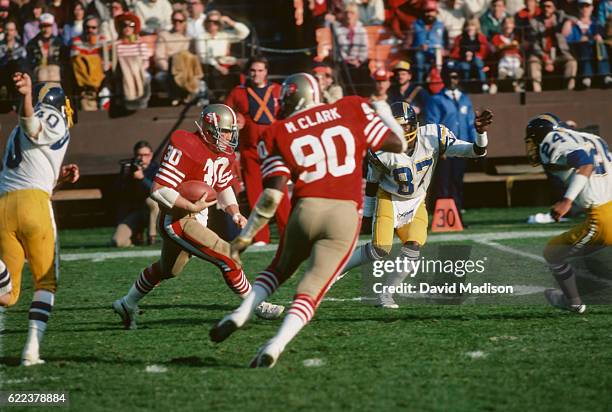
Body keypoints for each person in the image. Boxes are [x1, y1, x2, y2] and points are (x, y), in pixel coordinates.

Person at [208, 72, 407, 368]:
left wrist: (246, 236)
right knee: (311, 290)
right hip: (343, 214)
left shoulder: (276, 131)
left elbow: (272, 197)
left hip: (306, 209)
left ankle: (239, 314)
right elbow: (398, 144)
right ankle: (276, 345)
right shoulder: (349, 108)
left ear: (295, 96)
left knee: (278, 269)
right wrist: (385, 113)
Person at [112, 104, 285, 329]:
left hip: (195, 215)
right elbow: (159, 189)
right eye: (224, 130)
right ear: (208, 128)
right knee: (228, 255)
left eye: (231, 131)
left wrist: (235, 212)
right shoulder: (185, 145)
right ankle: (256, 304)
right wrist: (189, 205)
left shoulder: (224, 152)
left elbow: (222, 186)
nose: (229, 136)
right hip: (177, 218)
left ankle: (126, 303)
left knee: (168, 270)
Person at [341, 102, 492, 308]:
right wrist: (367, 217)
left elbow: (476, 151)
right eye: (396, 126)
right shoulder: (381, 149)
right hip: (390, 198)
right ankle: (338, 269)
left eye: (405, 126)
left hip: (416, 201)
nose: (402, 131)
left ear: (414, 124)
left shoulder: (432, 135)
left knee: (413, 247)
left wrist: (480, 133)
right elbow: (372, 184)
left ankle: (386, 295)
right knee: (380, 250)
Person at [0, 73, 79, 366]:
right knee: (47, 282)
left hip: (3, 207)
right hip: (33, 206)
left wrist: (59, 180)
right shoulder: (48, 113)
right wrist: (27, 97)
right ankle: (31, 351)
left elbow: (31, 168)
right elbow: (32, 126)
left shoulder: (13, 135)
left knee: (8, 296)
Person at [524, 114, 612, 313]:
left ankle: (572, 301)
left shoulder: (550, 141)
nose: (531, 146)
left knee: (553, 253)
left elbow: (585, 162)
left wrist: (567, 201)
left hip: (603, 217)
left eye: (531, 140)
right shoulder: (591, 138)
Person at [225, 56, 291, 246]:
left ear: (267, 72)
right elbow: (226, 112)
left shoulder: (278, 90)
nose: (256, 74)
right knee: (255, 195)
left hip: (274, 151)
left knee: (280, 194)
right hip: (250, 151)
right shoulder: (238, 92)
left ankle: (286, 235)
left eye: (260, 70)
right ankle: (261, 238)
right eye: (253, 70)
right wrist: (236, 119)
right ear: (248, 72)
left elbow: (288, 115)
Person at [425, 63, 478, 221]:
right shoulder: (436, 99)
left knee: (457, 183)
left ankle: (457, 217)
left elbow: (470, 124)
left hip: (461, 148)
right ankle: (441, 219)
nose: (452, 80)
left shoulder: (465, 99)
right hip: (445, 150)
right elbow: (432, 124)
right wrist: (439, 148)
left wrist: (474, 146)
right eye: (449, 76)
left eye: (455, 76)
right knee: (443, 184)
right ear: (443, 78)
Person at [111, 141, 160, 247]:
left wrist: (142, 179)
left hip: (153, 214)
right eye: (139, 155)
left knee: (151, 201)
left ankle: (152, 237)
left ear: (151, 155)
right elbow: (120, 193)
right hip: (136, 212)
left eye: (145, 155)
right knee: (118, 242)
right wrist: (126, 177)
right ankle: (135, 239)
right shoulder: (129, 169)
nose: (142, 159)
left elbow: (156, 192)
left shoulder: (157, 169)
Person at [195, 10, 250, 99]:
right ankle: (220, 97)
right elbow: (202, 56)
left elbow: (245, 33)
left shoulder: (224, 35)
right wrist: (218, 66)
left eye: (216, 22)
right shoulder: (201, 36)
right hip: (210, 63)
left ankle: (237, 96)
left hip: (226, 61)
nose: (212, 24)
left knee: (236, 71)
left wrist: (230, 21)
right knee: (216, 73)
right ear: (206, 22)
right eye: (210, 21)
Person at [526, 0, 577, 92]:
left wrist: (569, 22)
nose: (546, 9)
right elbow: (535, 44)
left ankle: (569, 90)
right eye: (544, 6)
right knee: (532, 62)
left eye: (549, 6)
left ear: (554, 8)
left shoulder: (560, 16)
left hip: (559, 53)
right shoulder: (534, 21)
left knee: (571, 62)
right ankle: (537, 90)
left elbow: (576, 19)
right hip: (542, 53)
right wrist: (545, 58)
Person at [155, 10, 202, 105]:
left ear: (185, 22)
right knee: (160, 77)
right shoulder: (164, 36)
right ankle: (175, 96)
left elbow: (194, 58)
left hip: (187, 70)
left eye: (180, 21)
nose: (177, 23)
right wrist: (170, 69)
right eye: (175, 20)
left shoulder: (189, 38)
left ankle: (188, 96)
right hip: (169, 69)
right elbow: (159, 57)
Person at [566, 0, 612, 88]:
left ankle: (606, 75)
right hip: (579, 49)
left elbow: (603, 34)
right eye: (581, 6)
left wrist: (598, 36)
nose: (584, 9)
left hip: (596, 49)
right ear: (578, 8)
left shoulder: (596, 22)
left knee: (600, 44)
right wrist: (580, 39)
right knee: (584, 45)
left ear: (592, 8)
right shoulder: (573, 23)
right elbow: (568, 39)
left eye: (587, 6)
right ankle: (586, 77)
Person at [332, 3, 370, 94]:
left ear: (356, 15)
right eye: (346, 13)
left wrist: (359, 60)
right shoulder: (338, 30)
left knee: (363, 71)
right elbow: (338, 49)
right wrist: (346, 60)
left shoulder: (361, 30)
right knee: (344, 71)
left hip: (358, 63)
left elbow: (364, 48)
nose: (349, 16)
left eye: (352, 13)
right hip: (344, 62)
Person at [450, 18, 490, 93]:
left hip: (478, 61)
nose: (470, 28)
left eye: (472, 25)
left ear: (476, 27)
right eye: (468, 26)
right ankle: (465, 87)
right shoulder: (460, 38)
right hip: (463, 60)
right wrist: (464, 55)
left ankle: (484, 84)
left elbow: (485, 51)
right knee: (465, 67)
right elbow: (454, 53)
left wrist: (473, 55)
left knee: (478, 62)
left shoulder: (481, 37)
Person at [412, 1, 448, 84]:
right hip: (421, 53)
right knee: (418, 57)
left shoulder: (441, 25)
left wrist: (445, 50)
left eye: (432, 11)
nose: (429, 14)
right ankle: (419, 83)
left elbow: (447, 42)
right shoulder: (415, 25)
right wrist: (417, 47)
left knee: (444, 62)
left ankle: (439, 83)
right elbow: (408, 43)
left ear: (436, 12)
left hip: (437, 53)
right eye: (427, 11)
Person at [26, 13, 65, 82]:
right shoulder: (32, 44)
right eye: (43, 26)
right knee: (42, 72)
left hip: (56, 75)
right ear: (39, 27)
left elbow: (64, 61)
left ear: (52, 27)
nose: (46, 29)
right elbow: (29, 62)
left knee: (53, 70)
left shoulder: (59, 43)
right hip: (39, 74)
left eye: (48, 26)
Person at [492, 16, 524, 91]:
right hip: (503, 63)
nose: (508, 26)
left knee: (518, 74)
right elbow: (496, 49)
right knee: (501, 74)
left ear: (513, 25)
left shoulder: (517, 37)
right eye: (506, 24)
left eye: (510, 23)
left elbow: (521, 48)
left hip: (516, 62)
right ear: (502, 25)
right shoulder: (497, 37)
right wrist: (509, 45)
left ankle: (518, 91)